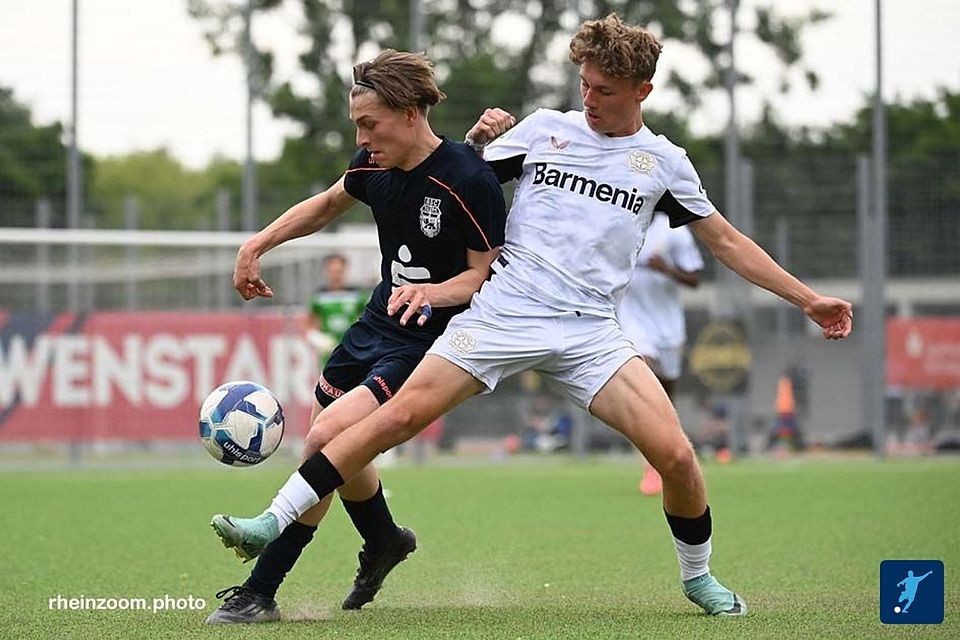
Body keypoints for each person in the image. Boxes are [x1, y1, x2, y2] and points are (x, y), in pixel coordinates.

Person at [210, 14, 853, 618]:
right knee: (396, 416)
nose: (590, 98)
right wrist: (481, 139)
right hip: (504, 310)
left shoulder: (663, 163)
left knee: (678, 458)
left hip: (591, 331)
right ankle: (273, 520)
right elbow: (451, 175)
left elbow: (727, 242)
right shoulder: (547, 128)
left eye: (604, 89)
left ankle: (698, 577)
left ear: (642, 89)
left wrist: (808, 299)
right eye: (584, 85)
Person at [206, 49, 507, 624]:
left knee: (324, 439)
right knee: (343, 451)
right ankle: (385, 539)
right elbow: (325, 205)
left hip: (430, 339)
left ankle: (260, 589)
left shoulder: (469, 178)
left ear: (413, 114)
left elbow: (481, 276)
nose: (363, 137)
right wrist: (256, 245)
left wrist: (431, 294)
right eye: (357, 126)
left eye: (371, 123)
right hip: (375, 324)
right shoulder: (372, 165)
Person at [617, 210, 704, 495]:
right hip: (632, 323)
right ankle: (651, 465)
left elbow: (695, 279)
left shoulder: (674, 231)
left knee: (665, 399)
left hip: (667, 327)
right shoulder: (620, 222)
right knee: (643, 382)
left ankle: (672, 458)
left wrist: (666, 269)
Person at [304, 253, 367, 369]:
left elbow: (367, 318)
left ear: (345, 270)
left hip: (352, 347)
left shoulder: (357, 295)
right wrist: (316, 338)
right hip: (329, 349)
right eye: (332, 271)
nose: (336, 275)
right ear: (327, 271)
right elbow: (309, 322)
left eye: (339, 270)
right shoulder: (319, 297)